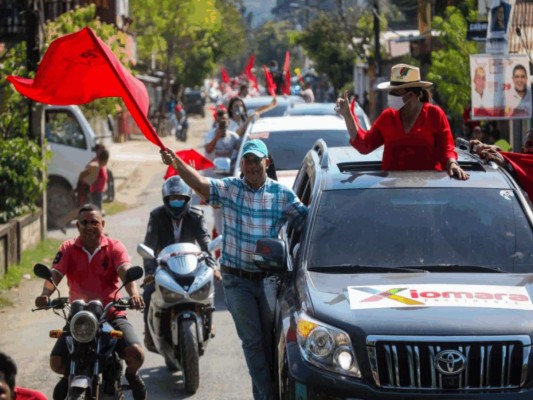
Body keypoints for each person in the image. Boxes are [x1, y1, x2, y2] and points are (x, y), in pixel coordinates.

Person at [160, 139, 308, 400]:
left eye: (256, 160)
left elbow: (307, 222)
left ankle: (263, 394)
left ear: (267, 162)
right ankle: (270, 397)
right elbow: (200, 184)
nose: (251, 166)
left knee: (271, 342)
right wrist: (176, 163)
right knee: (252, 344)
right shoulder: (230, 188)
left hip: (269, 281)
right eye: (247, 160)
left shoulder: (282, 194)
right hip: (236, 280)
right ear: (242, 164)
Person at [34, 204, 147, 400]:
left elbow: (126, 272)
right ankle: (69, 376)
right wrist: (45, 294)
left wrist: (134, 294)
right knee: (56, 361)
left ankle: (131, 375)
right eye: (84, 222)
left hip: (110, 314)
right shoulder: (68, 248)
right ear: (77, 226)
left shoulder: (114, 247)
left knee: (136, 353)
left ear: (102, 224)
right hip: (79, 316)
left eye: (94, 222)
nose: (89, 226)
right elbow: (55, 274)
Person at [336, 63, 469, 180]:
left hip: (428, 192)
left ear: (411, 95)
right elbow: (364, 145)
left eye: (395, 92)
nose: (391, 96)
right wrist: (348, 116)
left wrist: (452, 163)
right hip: (392, 190)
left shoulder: (434, 114)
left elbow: (446, 149)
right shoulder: (387, 117)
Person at [142, 176, 219, 350]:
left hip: (191, 263)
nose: (176, 202)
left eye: (180, 199)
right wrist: (149, 272)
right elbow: (149, 247)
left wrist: (213, 267)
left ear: (188, 199)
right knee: (147, 293)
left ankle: (209, 320)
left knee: (208, 285)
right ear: (165, 199)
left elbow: (206, 244)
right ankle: (148, 334)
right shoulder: (156, 216)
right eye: (172, 199)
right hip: (165, 265)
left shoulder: (196, 215)